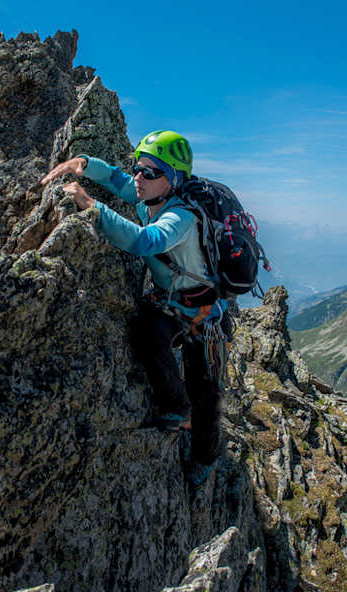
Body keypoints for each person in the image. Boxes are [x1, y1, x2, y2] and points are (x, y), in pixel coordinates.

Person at [40, 130, 224, 487]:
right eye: (138, 168)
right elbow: (117, 179)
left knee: (207, 397)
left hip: (203, 314)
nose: (139, 177)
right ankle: (176, 406)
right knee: (146, 333)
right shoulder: (149, 198)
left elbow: (145, 241)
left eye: (150, 172)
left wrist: (92, 206)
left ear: (173, 178)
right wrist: (83, 165)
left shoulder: (182, 217)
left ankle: (204, 458)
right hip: (171, 302)